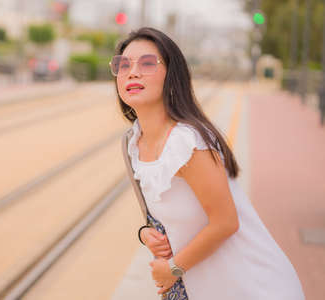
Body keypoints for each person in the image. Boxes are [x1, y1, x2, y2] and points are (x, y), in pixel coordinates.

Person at [111, 27, 305, 300]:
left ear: (171, 75)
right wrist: (146, 234)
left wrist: (173, 269)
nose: (132, 72)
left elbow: (226, 222)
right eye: (123, 65)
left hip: (253, 287)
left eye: (147, 63)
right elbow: (165, 212)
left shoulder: (186, 142)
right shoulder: (133, 143)